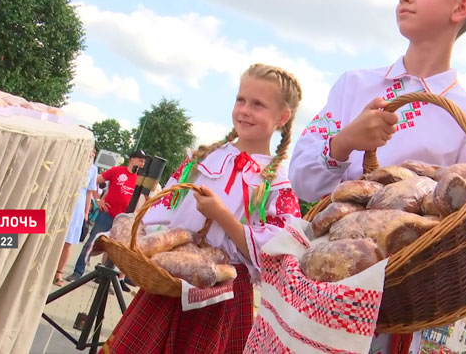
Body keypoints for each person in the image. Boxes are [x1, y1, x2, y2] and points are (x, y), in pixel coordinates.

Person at [288, 0, 466, 354]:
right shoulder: (355, 85)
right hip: (313, 278)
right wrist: (345, 142)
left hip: (392, 309)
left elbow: (464, 228)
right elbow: (302, 181)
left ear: (460, 7)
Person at [99, 64, 303, 354]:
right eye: (240, 100)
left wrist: (221, 215)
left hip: (222, 294)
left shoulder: (279, 182)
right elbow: (161, 213)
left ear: (283, 117)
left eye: (258, 104)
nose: (244, 110)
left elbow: (277, 252)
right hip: (171, 279)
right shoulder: (203, 161)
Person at [65, 150, 146, 282]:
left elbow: (145, 199)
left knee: (115, 250)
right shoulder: (117, 171)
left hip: (122, 220)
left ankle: (104, 278)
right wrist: (98, 200)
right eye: (140, 160)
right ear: (132, 159)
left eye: (144, 162)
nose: (142, 164)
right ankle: (78, 272)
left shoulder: (140, 181)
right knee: (91, 243)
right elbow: (95, 182)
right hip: (106, 214)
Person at [53, 147, 98, 286]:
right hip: (62, 203)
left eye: (94, 152)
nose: (91, 153)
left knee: (68, 242)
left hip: (78, 208)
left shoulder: (93, 169)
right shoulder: (72, 161)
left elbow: (90, 192)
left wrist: (86, 213)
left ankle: (59, 272)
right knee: (53, 238)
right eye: (90, 150)